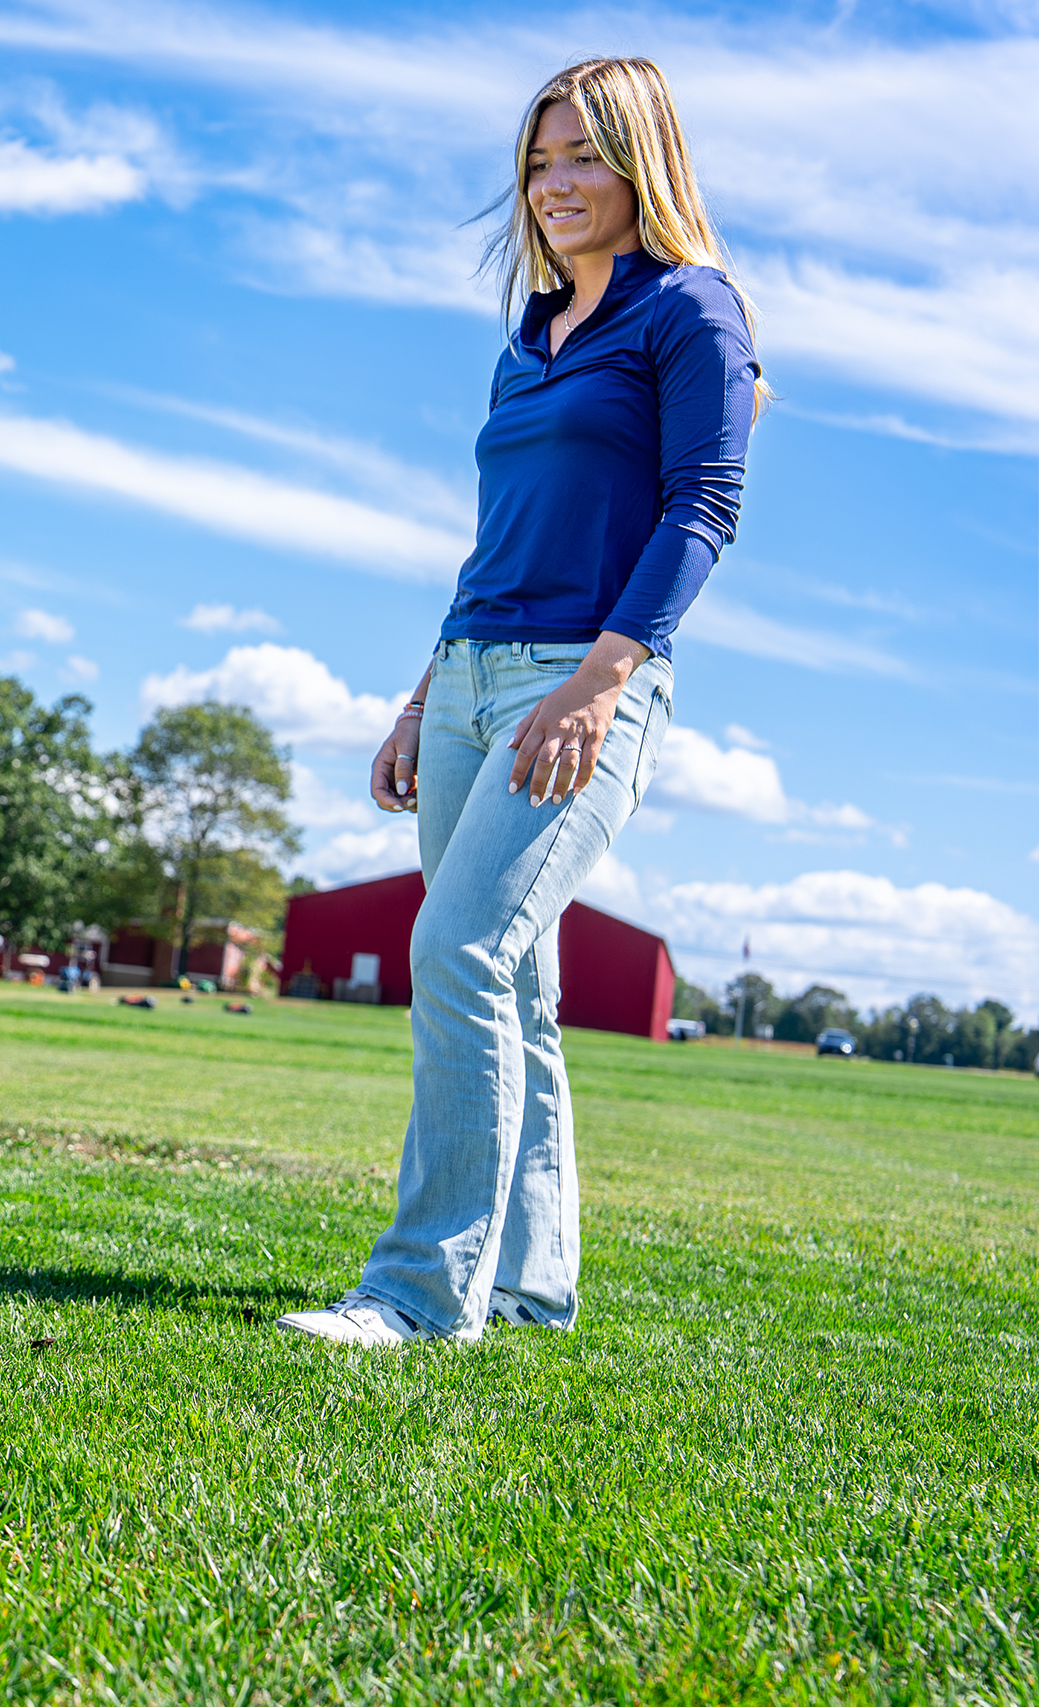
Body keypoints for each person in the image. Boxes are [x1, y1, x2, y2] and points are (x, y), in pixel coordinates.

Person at [279, 57, 762, 1347]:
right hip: (472, 677)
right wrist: (420, 694)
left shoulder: (694, 314)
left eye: (585, 158)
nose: (555, 186)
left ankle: (421, 1296)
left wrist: (601, 684)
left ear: (643, 164)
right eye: (539, 162)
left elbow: (702, 511)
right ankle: (534, 1284)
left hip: (583, 681)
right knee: (514, 982)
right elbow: (497, 535)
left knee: (460, 949)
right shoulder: (527, 340)